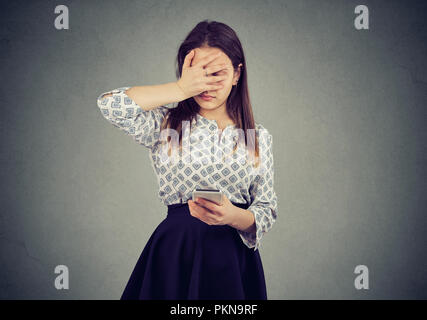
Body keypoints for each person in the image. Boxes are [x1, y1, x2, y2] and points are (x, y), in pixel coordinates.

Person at [96, 20, 278, 300]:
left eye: (216, 74)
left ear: (236, 74)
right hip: (175, 253)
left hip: (233, 260)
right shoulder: (167, 125)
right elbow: (110, 104)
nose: (205, 85)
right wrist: (181, 89)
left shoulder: (256, 136)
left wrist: (234, 216)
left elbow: (266, 208)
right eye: (197, 75)